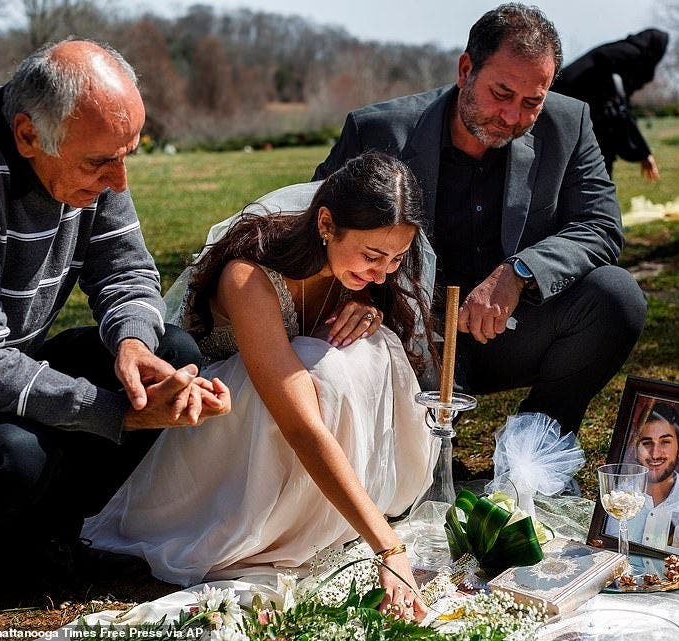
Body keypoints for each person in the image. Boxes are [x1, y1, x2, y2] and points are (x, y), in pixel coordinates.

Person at [0, 40, 230, 629]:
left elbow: (126, 270)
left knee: (173, 352)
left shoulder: (88, 156)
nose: (119, 181)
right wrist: (115, 411)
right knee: (14, 456)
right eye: (101, 163)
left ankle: (31, 548)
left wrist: (134, 347)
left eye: (128, 156)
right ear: (27, 135)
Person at [83, 151, 435, 623]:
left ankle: (330, 518)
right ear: (326, 224)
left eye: (395, 258)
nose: (382, 271)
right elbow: (301, 422)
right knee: (322, 366)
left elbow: (344, 353)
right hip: (221, 429)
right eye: (372, 255)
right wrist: (388, 549)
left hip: (292, 420)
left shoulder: (354, 275)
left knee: (374, 344)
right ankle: (282, 529)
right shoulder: (248, 277)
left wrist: (369, 307)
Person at [313, 3, 647, 435]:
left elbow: (600, 225)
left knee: (616, 296)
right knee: (422, 484)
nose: (513, 117)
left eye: (532, 103)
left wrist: (520, 271)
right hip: (404, 334)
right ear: (466, 69)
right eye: (502, 94)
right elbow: (314, 227)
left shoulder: (571, 123)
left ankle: (535, 448)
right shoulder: (376, 131)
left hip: (512, 331)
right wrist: (353, 296)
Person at [550, 28, 669, 181]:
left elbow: (623, 111)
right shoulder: (629, 55)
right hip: (570, 95)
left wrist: (643, 152)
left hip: (574, 96)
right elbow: (621, 111)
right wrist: (643, 152)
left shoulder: (623, 55)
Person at [607, 403, 679, 555]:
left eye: (665, 442)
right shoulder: (613, 497)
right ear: (636, 449)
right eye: (647, 443)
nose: (655, 454)